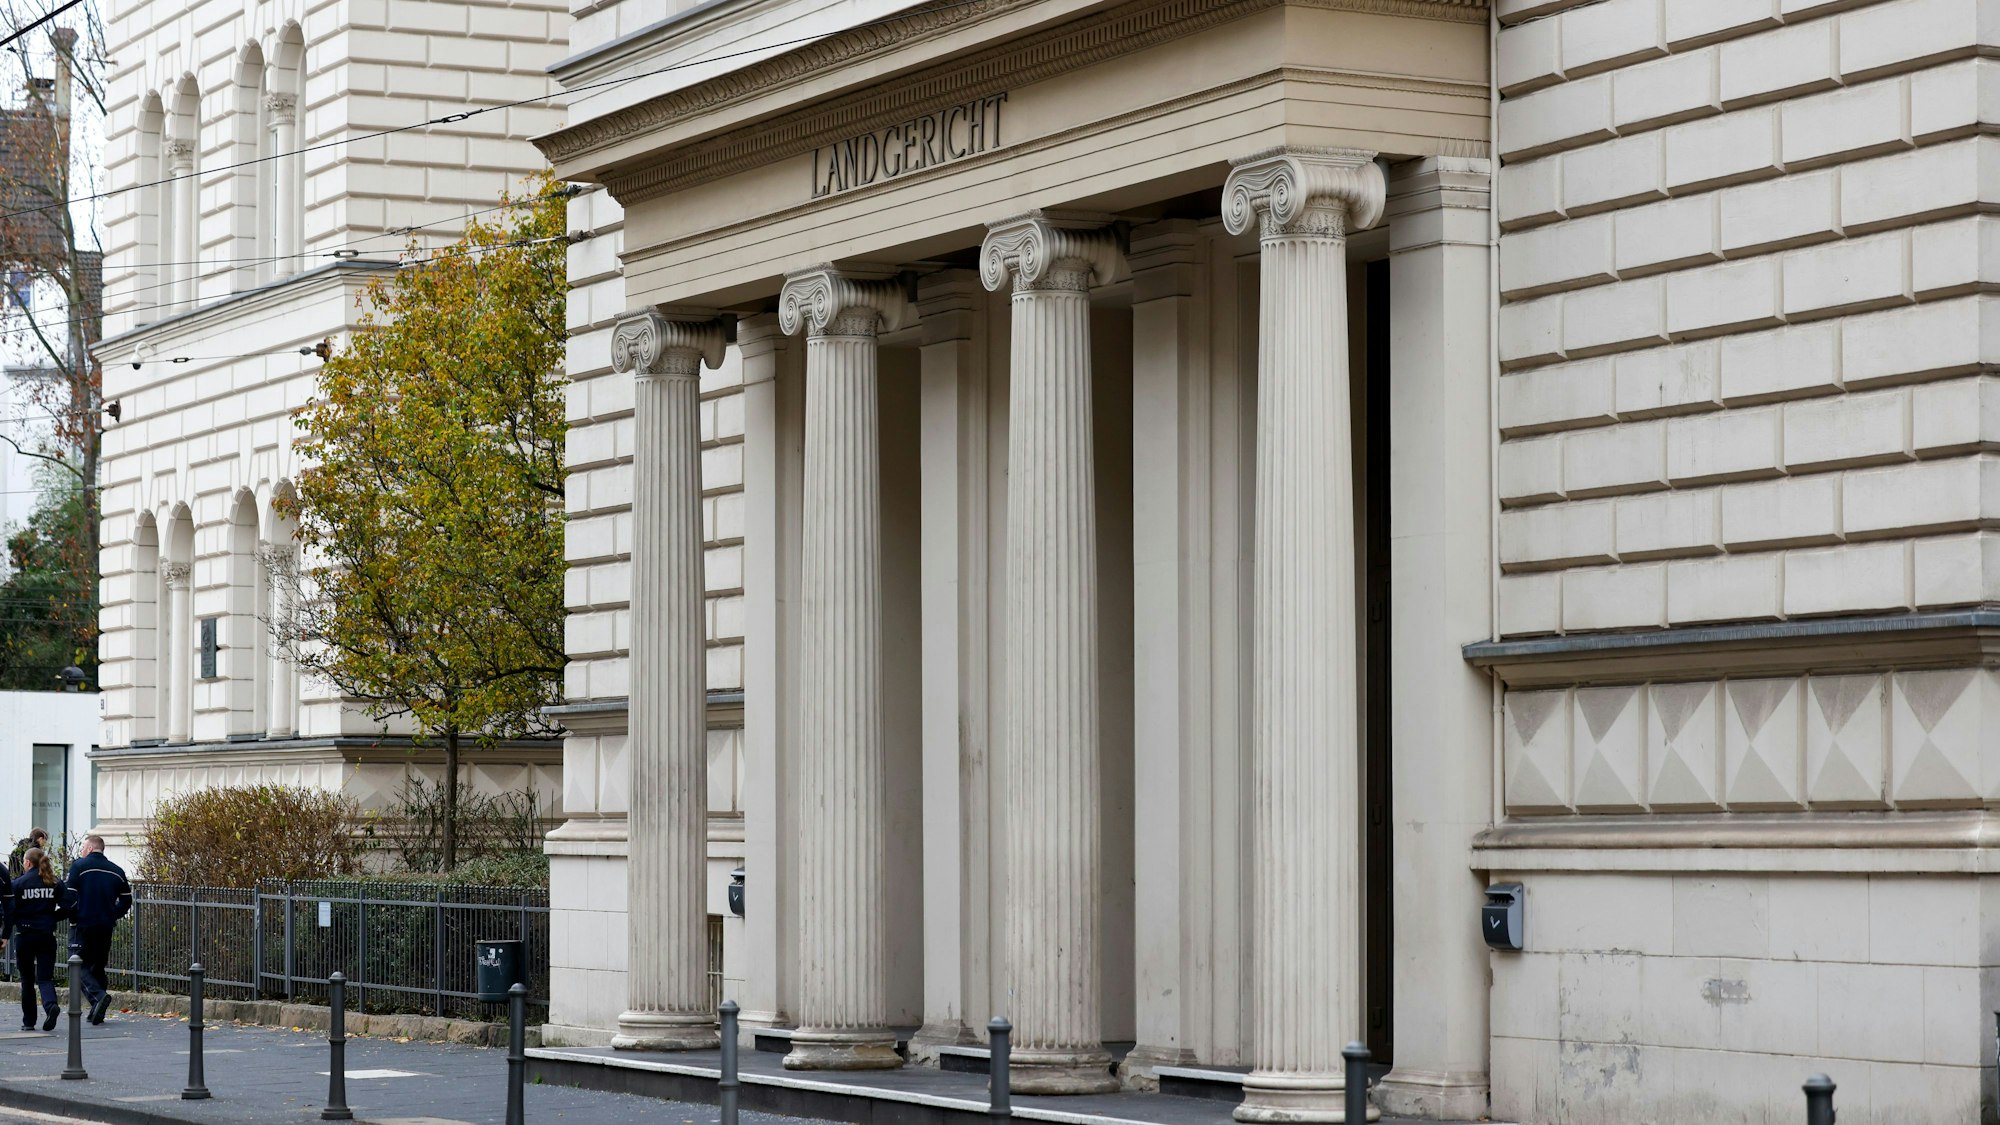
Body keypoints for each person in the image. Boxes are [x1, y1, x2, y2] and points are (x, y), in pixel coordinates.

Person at [65, 835, 130, 1025]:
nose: (82, 851)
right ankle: (97, 1011)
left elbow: (71, 896)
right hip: (105, 926)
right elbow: (127, 900)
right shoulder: (117, 871)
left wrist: (72, 913)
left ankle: (98, 997)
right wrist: (112, 914)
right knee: (97, 966)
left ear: (91, 848)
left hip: (82, 925)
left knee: (77, 965)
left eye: (84, 847)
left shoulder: (79, 866)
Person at [4, 847, 69, 1031]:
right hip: (46, 935)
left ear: (27, 863)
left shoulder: (19, 883)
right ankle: (50, 1006)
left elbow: (9, 909)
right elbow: (69, 905)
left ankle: (29, 1021)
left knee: (26, 980)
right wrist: (52, 917)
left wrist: (16, 922)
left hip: (24, 936)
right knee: (45, 977)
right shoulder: (54, 882)